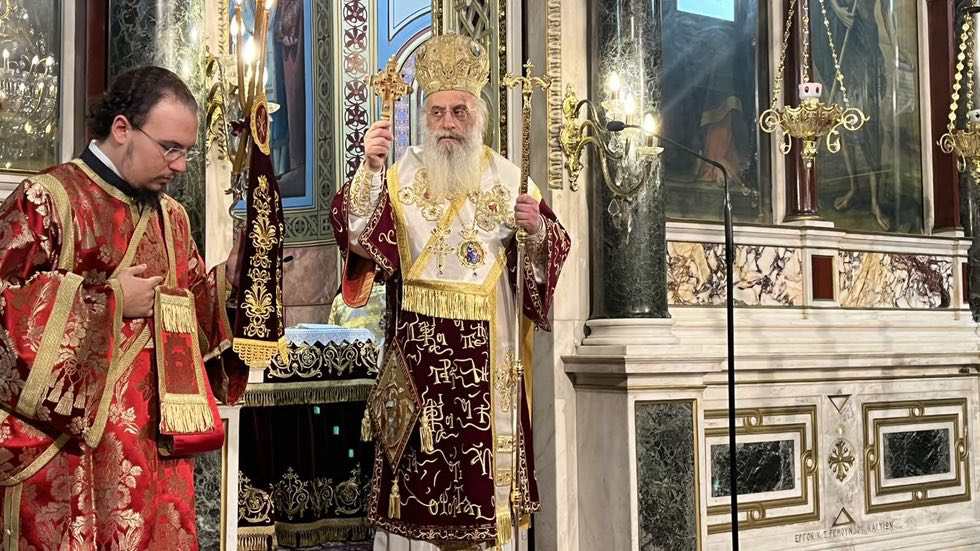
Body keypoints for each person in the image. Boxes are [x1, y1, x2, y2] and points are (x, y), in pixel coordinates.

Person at [331, 34, 571, 550]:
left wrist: (535, 230)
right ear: (424, 116)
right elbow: (359, 238)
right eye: (437, 112)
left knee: (481, 490)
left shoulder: (510, 180)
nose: (447, 123)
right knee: (416, 488)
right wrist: (369, 170)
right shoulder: (400, 175)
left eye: (459, 111)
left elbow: (544, 264)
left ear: (477, 115)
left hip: (489, 365)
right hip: (416, 365)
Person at [0, 66, 246, 549]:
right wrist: (109, 302)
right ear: (121, 129)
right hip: (74, 457)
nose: (180, 165)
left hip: (157, 454)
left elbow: (195, 318)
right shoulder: (48, 200)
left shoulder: (173, 218)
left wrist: (231, 283)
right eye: (169, 148)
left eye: (187, 152)